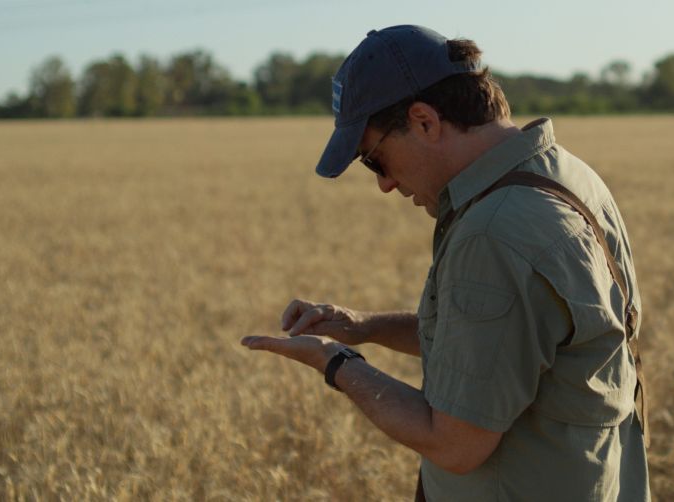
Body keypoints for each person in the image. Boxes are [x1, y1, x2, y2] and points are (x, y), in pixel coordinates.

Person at [240, 24, 649, 501]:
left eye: (374, 159)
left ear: (424, 122)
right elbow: (498, 346)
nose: (385, 185)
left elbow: (455, 444)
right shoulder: (564, 175)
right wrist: (362, 326)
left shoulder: (493, 233)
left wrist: (336, 362)